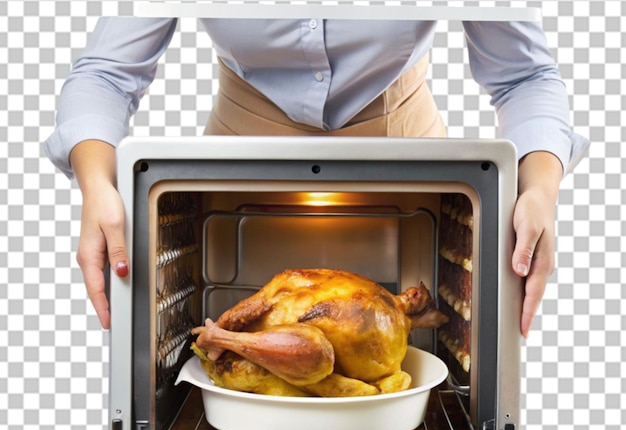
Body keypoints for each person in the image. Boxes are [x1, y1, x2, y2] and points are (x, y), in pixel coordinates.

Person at [44, 17, 588, 337]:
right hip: (235, 176)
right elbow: (107, 74)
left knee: (418, 353)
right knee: (225, 344)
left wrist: (539, 189)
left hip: (408, 166)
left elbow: (525, 75)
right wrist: (97, 186)